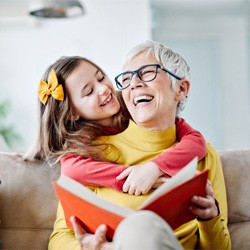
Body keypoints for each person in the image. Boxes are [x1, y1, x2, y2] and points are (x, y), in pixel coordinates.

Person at [48, 41, 231, 249]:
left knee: (142, 225)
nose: (134, 83)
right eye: (126, 78)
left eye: (146, 73)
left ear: (181, 88)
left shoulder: (204, 156)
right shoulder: (91, 153)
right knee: (139, 225)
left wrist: (210, 218)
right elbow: (59, 240)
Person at [30, 55, 207, 196]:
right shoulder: (84, 141)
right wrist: (133, 177)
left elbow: (196, 142)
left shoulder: (135, 103)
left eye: (101, 78)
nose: (103, 89)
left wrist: (154, 168)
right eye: (89, 92)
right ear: (71, 113)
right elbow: (71, 170)